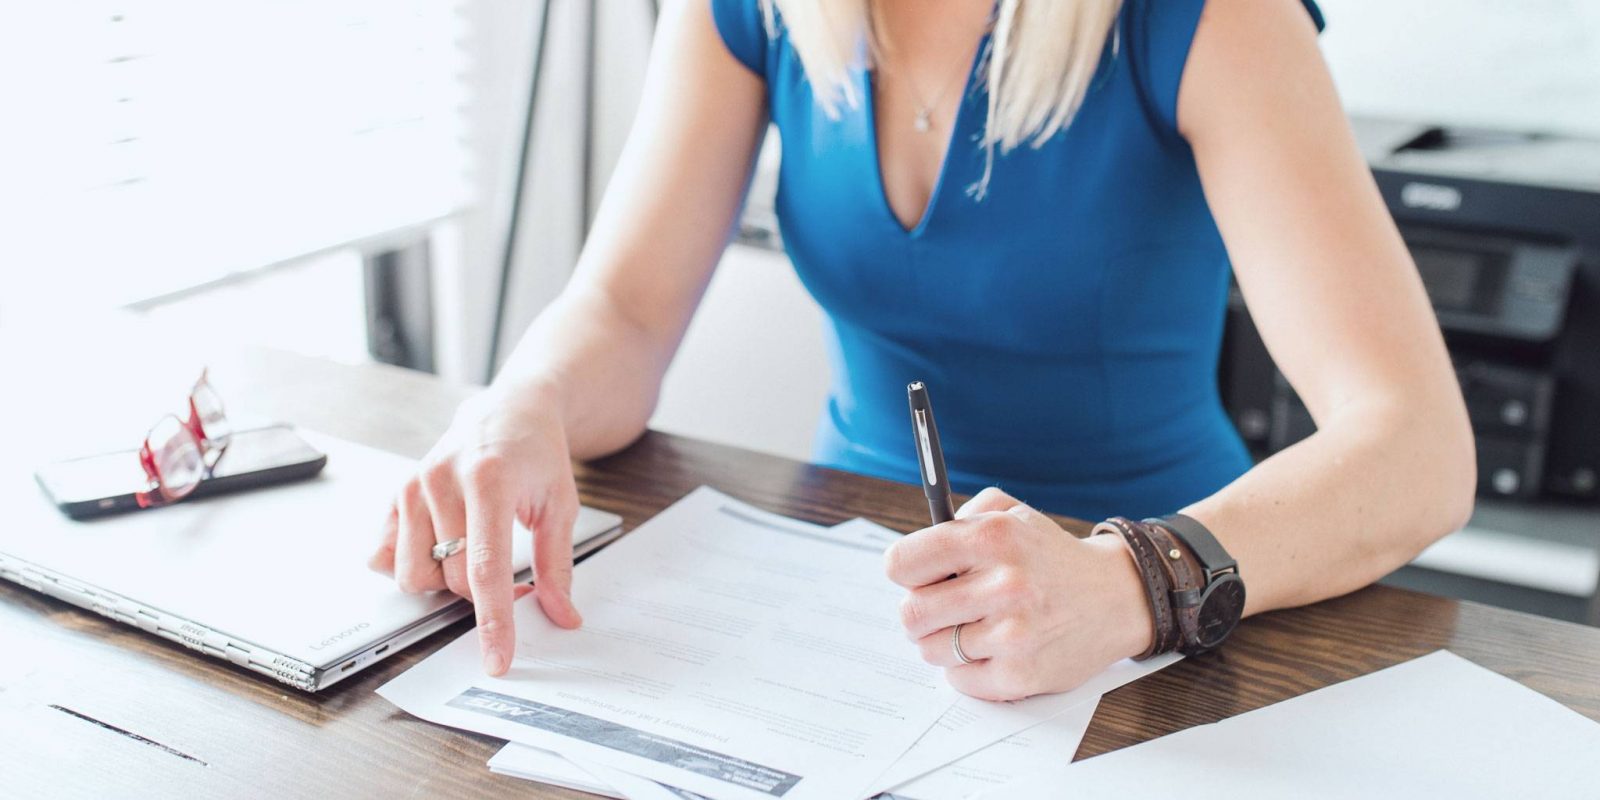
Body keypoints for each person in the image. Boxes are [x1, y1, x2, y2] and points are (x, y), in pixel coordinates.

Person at [369, 0, 1475, 701]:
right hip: (847, 602)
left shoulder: (1210, 17)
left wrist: (1124, 583)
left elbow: (1416, 446)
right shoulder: (750, 13)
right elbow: (623, 309)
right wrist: (521, 406)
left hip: (1162, 626)